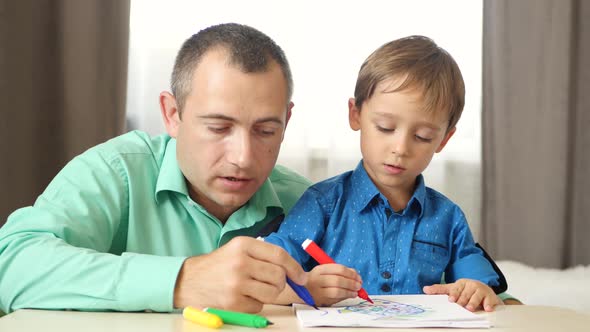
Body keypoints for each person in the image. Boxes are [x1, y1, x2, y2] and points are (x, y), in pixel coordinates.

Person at [0, 23, 312, 314]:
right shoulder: (115, 172)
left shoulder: (309, 201)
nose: (243, 158)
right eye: (218, 127)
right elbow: (11, 264)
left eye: (265, 131)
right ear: (172, 114)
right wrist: (181, 281)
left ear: (287, 122)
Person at [264, 35, 502, 312]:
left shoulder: (448, 218)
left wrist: (476, 289)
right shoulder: (322, 203)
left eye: (423, 137)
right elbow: (271, 268)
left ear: (444, 140)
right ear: (355, 115)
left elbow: (481, 286)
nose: (400, 148)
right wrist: (306, 285)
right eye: (386, 128)